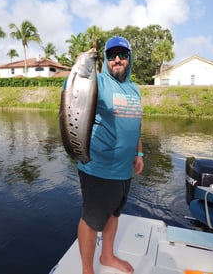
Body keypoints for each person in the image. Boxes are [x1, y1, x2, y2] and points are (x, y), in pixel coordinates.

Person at [77, 36, 144, 274]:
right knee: (91, 220)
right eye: (112, 55)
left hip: (124, 169)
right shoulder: (98, 82)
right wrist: (80, 65)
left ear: (129, 58)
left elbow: (136, 123)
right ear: (105, 59)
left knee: (114, 213)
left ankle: (106, 256)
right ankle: (87, 269)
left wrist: (140, 152)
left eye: (122, 55)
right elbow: (73, 90)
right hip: (98, 167)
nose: (117, 59)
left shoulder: (135, 89)